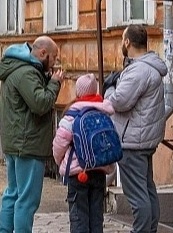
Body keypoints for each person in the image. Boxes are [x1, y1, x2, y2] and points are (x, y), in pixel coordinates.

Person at [105, 25, 173, 233]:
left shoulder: (139, 70)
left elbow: (119, 102)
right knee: (147, 190)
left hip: (132, 141)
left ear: (127, 42)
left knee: (137, 195)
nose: (121, 44)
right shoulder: (149, 67)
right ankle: (149, 229)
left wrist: (109, 88)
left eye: (121, 40)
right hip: (144, 139)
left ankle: (142, 230)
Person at [0, 36, 64, 233]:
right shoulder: (26, 73)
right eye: (53, 58)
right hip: (28, 144)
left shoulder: (17, 68)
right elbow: (40, 103)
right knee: (27, 199)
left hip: (15, 142)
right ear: (42, 53)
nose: (54, 62)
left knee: (13, 193)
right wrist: (54, 83)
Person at [53, 75, 116, 233]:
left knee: (79, 217)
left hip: (78, 172)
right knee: (96, 218)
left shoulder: (72, 116)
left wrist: (61, 162)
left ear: (78, 92)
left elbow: (59, 144)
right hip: (100, 171)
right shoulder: (104, 113)